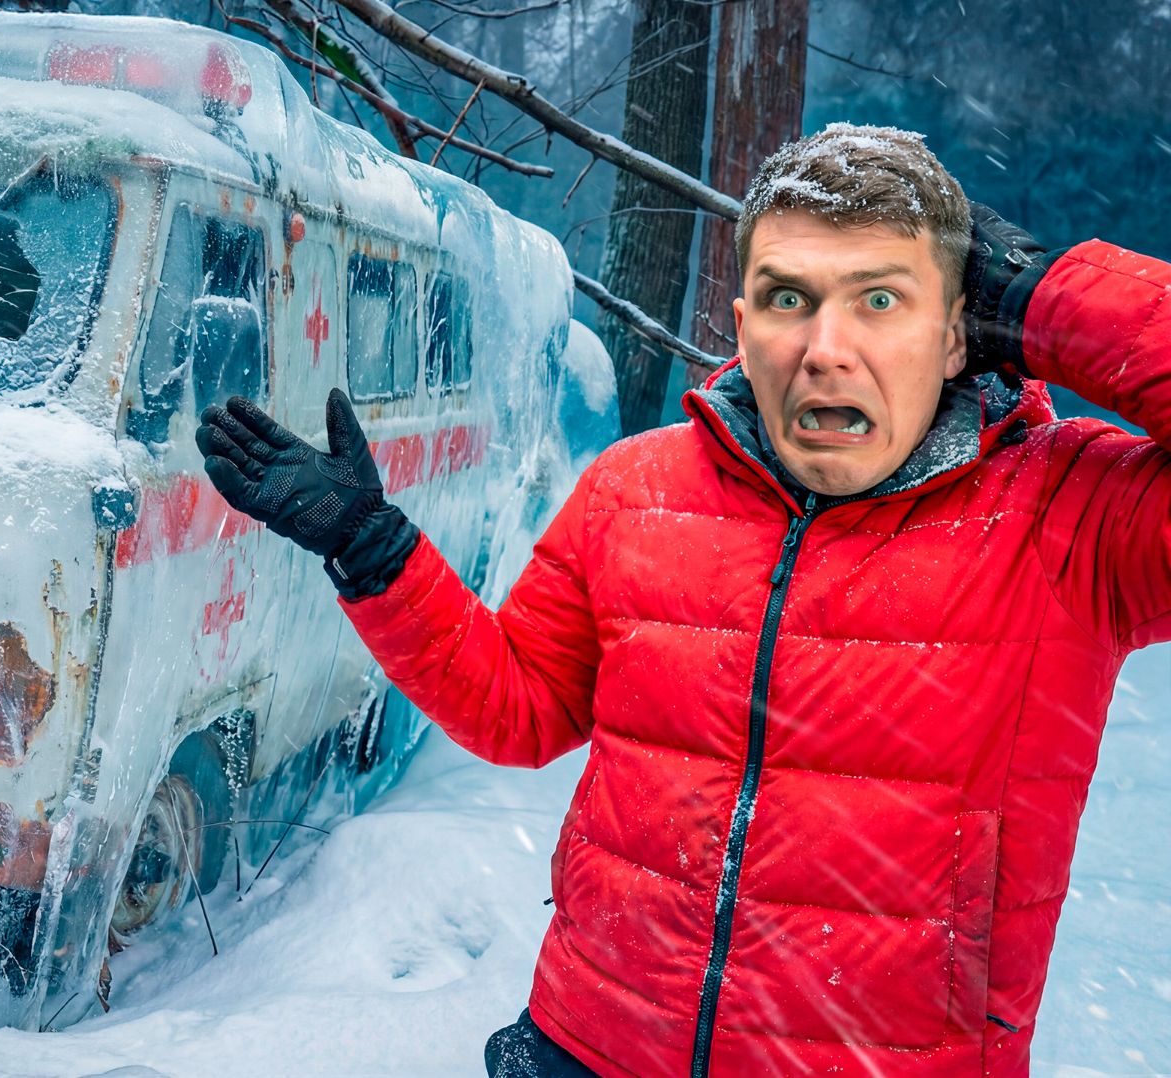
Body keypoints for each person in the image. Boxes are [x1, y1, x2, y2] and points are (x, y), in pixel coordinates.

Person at [195, 123, 1171, 1076]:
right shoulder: (640, 488)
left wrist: (1049, 296)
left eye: (880, 299)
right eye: (791, 298)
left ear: (960, 334)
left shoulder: (1071, 522)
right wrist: (374, 551)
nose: (826, 348)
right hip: (589, 1040)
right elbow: (521, 706)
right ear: (745, 325)